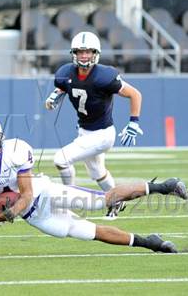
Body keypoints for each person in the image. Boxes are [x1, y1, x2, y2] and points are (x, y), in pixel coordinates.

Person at [0, 115, 188, 253]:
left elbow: (26, 194)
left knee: (103, 201)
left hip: (44, 193)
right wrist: (0, 216)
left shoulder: (16, 149)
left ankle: (165, 186)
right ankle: (151, 243)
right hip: (36, 217)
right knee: (89, 232)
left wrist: (10, 212)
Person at [45, 31, 143, 219]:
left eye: (88, 52)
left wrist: (133, 122)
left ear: (95, 53)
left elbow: (135, 94)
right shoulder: (65, 73)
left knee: (60, 159)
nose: (84, 56)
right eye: (80, 52)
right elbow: (66, 86)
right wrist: (56, 95)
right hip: (84, 131)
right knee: (98, 172)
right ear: (74, 53)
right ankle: (117, 200)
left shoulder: (104, 76)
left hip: (102, 134)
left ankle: (67, 202)